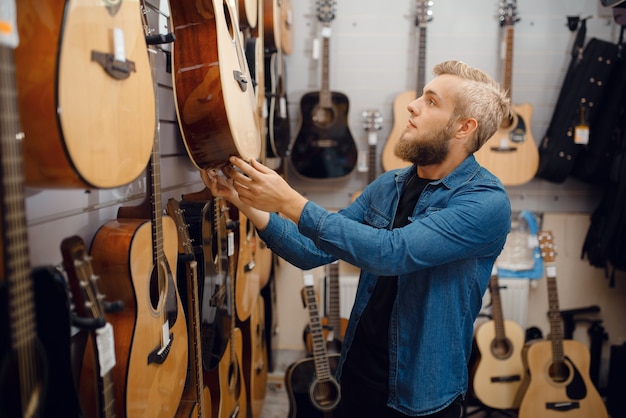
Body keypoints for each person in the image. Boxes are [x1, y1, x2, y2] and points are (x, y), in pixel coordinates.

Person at [204, 60, 512, 417]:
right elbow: (309, 250)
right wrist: (242, 199)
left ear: (464, 127)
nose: (413, 105)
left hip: (421, 395)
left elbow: (392, 253)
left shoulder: (485, 202)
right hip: (355, 375)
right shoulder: (389, 185)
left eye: (431, 101)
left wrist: (289, 201)